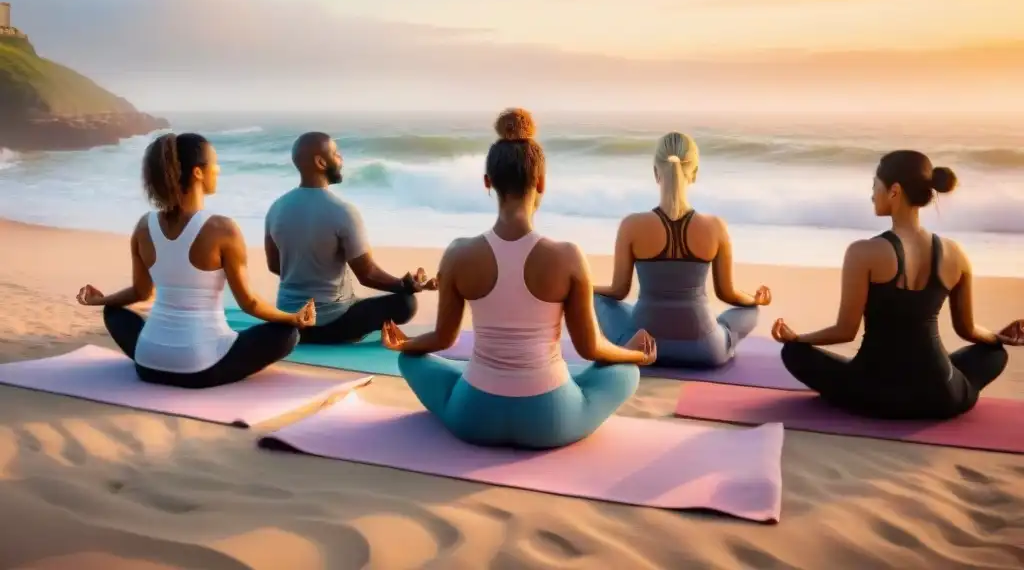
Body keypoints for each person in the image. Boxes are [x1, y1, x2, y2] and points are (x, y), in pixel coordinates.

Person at [381, 109, 655, 449]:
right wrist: (634, 356)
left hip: (473, 416)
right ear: (541, 182)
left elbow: (442, 339)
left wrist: (405, 344)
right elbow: (590, 348)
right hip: (551, 420)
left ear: (488, 182)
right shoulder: (568, 256)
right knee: (626, 373)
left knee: (410, 360)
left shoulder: (458, 253)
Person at [772, 150, 1023, 420]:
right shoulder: (956, 254)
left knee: (794, 353)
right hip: (942, 397)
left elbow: (844, 331)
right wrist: (999, 338)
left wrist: (797, 338)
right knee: (994, 354)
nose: (871, 195)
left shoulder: (862, 252)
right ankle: (938, 376)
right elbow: (968, 330)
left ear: (894, 190)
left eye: (874, 186)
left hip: (871, 394)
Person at [76, 133, 316, 389]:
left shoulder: (144, 226)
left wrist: (101, 301)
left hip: (147, 365)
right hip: (201, 368)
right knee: (286, 335)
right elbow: (250, 303)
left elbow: (141, 292)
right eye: (214, 163)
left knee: (114, 312)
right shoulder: (223, 229)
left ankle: (154, 349)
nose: (219, 169)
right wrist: (292, 318)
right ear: (198, 173)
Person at [593, 132, 771, 368]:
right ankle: (718, 330)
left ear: (656, 173)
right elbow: (727, 294)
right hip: (706, 350)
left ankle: (627, 346)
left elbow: (618, 291)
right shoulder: (716, 227)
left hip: (644, 346)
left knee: (598, 299)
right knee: (750, 311)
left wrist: (585, 285)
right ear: (694, 173)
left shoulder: (631, 225)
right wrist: (753, 299)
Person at [264, 131, 436, 345]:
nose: (341, 159)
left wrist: (307, 274)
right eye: (336, 154)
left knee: (356, 301)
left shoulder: (276, 208)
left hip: (289, 321)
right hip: (330, 324)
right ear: (320, 162)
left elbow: (274, 265)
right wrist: (404, 285)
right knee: (406, 304)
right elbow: (368, 275)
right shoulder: (342, 211)